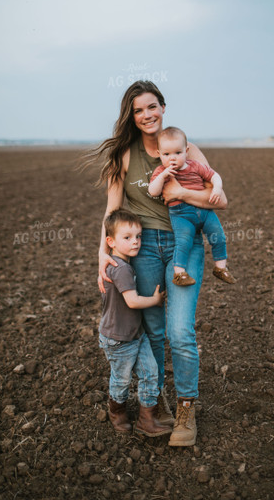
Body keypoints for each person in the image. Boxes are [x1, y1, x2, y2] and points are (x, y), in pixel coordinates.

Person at [89, 80, 228, 447]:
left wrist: (181, 192)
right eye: (138, 110)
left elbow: (218, 198)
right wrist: (102, 255)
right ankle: (156, 403)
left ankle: (186, 411)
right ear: (131, 117)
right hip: (145, 248)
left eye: (152, 107)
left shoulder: (187, 147)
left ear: (163, 107)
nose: (146, 115)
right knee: (153, 332)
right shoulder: (125, 155)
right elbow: (111, 212)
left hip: (185, 246)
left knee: (181, 331)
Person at [99, 208, 171, 437]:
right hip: (118, 339)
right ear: (110, 241)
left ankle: (146, 419)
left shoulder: (126, 265)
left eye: (139, 236)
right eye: (127, 238)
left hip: (136, 334)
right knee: (121, 379)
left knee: (150, 372)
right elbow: (131, 301)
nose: (136, 242)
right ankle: (116, 412)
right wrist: (155, 299)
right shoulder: (120, 269)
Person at [148, 126, 236, 286]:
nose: (172, 158)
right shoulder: (161, 171)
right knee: (183, 241)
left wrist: (217, 188)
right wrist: (162, 176)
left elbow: (214, 175)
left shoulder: (195, 166)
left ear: (186, 151)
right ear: (159, 154)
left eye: (177, 153)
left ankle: (220, 268)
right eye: (166, 154)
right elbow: (153, 191)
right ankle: (179, 273)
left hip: (205, 212)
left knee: (219, 236)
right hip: (181, 214)